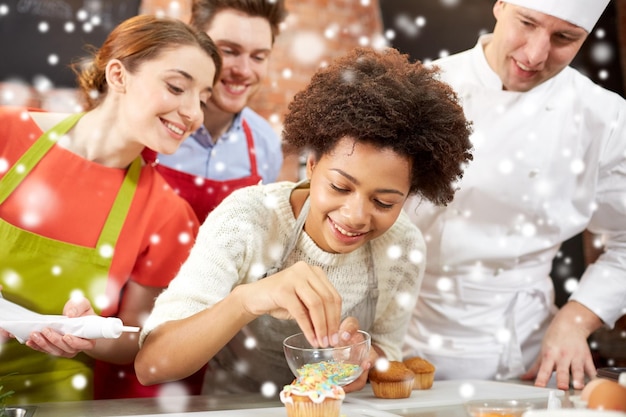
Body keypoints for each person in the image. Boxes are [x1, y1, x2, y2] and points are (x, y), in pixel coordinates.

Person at [135, 46, 473, 396]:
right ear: (311, 166)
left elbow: (388, 351)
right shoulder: (248, 218)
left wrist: (361, 358)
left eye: (384, 202)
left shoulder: (402, 247)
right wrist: (247, 300)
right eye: (340, 186)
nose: (356, 216)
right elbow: (151, 365)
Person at [402, 0, 626, 391]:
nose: (535, 55)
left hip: (526, 354)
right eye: (527, 23)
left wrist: (577, 318)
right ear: (500, 5)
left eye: (564, 38)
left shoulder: (604, 118)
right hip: (404, 339)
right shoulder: (420, 91)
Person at [0, 14, 221, 404]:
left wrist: (92, 335)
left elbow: (137, 338)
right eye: (176, 87)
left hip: (50, 396)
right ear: (118, 75)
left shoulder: (167, 214)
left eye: (202, 99)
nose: (194, 113)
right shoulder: (6, 133)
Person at [143, 0, 287, 223]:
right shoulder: (148, 124)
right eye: (229, 51)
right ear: (196, 43)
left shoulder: (266, 146)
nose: (244, 70)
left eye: (258, 57)